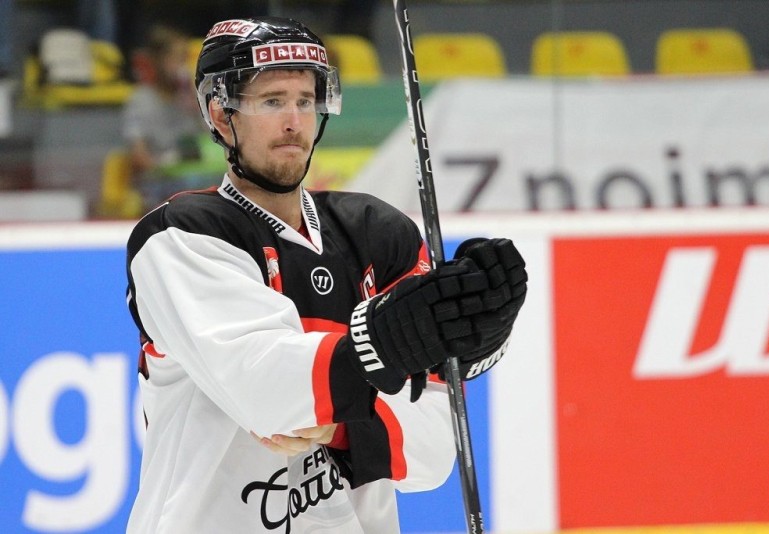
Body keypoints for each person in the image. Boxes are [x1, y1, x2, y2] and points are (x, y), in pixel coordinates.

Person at [125, 16, 527, 534]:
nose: (294, 120)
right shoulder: (179, 238)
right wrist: (389, 345)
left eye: (305, 99)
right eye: (271, 101)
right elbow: (266, 390)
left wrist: (341, 422)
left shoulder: (379, 235)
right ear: (221, 115)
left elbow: (432, 454)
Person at [122, 24, 206, 210]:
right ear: (156, 60)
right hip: (157, 185)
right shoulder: (139, 100)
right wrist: (168, 163)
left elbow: (214, 142)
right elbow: (139, 158)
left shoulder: (192, 97)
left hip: (196, 180)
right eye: (174, 58)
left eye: (184, 58)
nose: (180, 65)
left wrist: (196, 100)